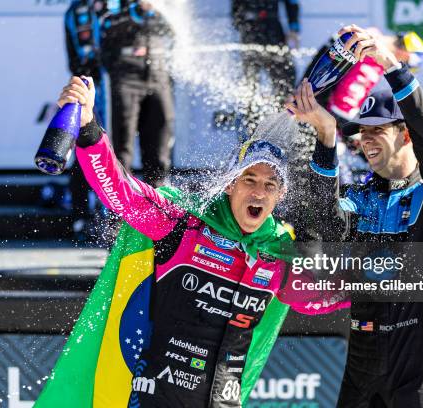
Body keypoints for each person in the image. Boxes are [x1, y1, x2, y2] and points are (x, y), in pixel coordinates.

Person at [52, 75, 347, 407]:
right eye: (249, 179)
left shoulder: (277, 254)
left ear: (280, 196)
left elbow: (325, 291)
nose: (258, 191)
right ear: (229, 186)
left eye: (270, 184)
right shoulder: (184, 223)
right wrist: (90, 128)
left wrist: (327, 136)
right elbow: (118, 190)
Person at [287, 25, 423, 407]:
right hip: (361, 366)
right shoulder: (362, 198)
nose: (365, 140)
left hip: (417, 368)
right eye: (361, 132)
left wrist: (392, 68)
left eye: (377, 130)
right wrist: (325, 135)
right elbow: (325, 224)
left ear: (406, 135)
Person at [101, 0, 174, 187]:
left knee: (159, 147)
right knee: (122, 149)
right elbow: (104, 23)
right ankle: (119, 209)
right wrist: (137, 10)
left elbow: (175, 29)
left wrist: (158, 11)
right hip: (126, 75)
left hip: (158, 73)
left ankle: (159, 203)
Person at [64, 0, 108, 239]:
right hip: (93, 92)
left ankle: (110, 215)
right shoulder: (77, 11)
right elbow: (77, 58)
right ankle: (80, 215)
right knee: (85, 151)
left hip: (120, 90)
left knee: (115, 153)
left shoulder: (117, 8)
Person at [232, 0, 300, 135]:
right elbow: (236, 7)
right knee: (249, 88)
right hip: (249, 31)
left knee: (286, 82)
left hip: (272, 30)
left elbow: (292, 3)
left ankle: (284, 129)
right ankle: (249, 136)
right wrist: (240, 23)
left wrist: (294, 29)